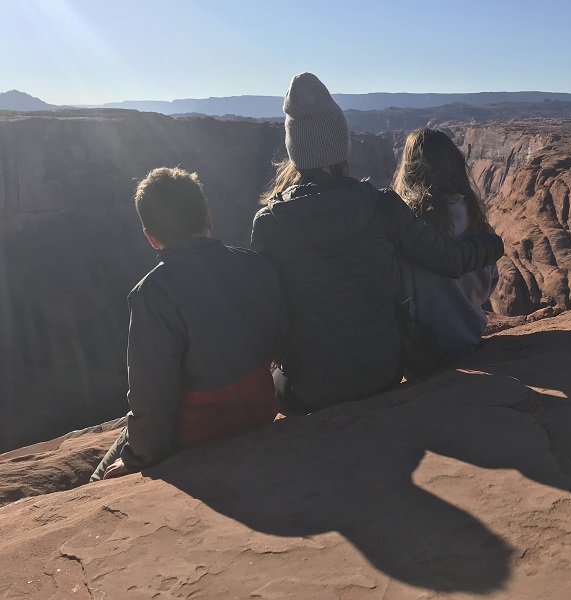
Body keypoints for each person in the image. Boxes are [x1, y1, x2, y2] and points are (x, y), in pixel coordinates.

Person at [251, 73, 504, 414]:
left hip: (311, 390)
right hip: (382, 374)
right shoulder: (380, 205)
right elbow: (450, 260)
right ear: (342, 147)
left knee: (275, 376)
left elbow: (267, 312)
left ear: (295, 151)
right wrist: (492, 244)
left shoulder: (270, 224)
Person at [91, 167, 286, 481]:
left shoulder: (152, 294)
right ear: (207, 217)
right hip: (260, 411)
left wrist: (138, 457)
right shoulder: (256, 265)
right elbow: (280, 342)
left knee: (98, 477)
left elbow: (152, 396)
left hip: (196, 436)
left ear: (151, 238)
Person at [392, 128, 499, 362]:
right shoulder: (475, 218)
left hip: (421, 349)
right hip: (470, 338)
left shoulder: (406, 222)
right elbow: (490, 282)